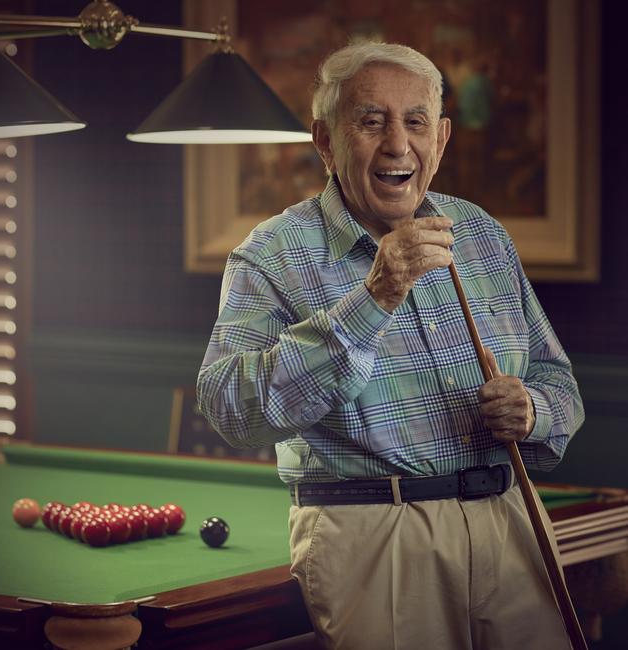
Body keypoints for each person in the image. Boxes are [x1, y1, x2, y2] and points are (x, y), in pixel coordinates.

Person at [197, 41, 584, 650]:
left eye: (415, 122)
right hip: (372, 537)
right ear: (326, 141)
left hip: (510, 523)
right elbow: (230, 410)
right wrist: (373, 298)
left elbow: (559, 383)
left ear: (443, 138)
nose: (398, 145)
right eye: (371, 122)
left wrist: (533, 409)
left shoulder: (481, 233)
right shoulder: (270, 255)